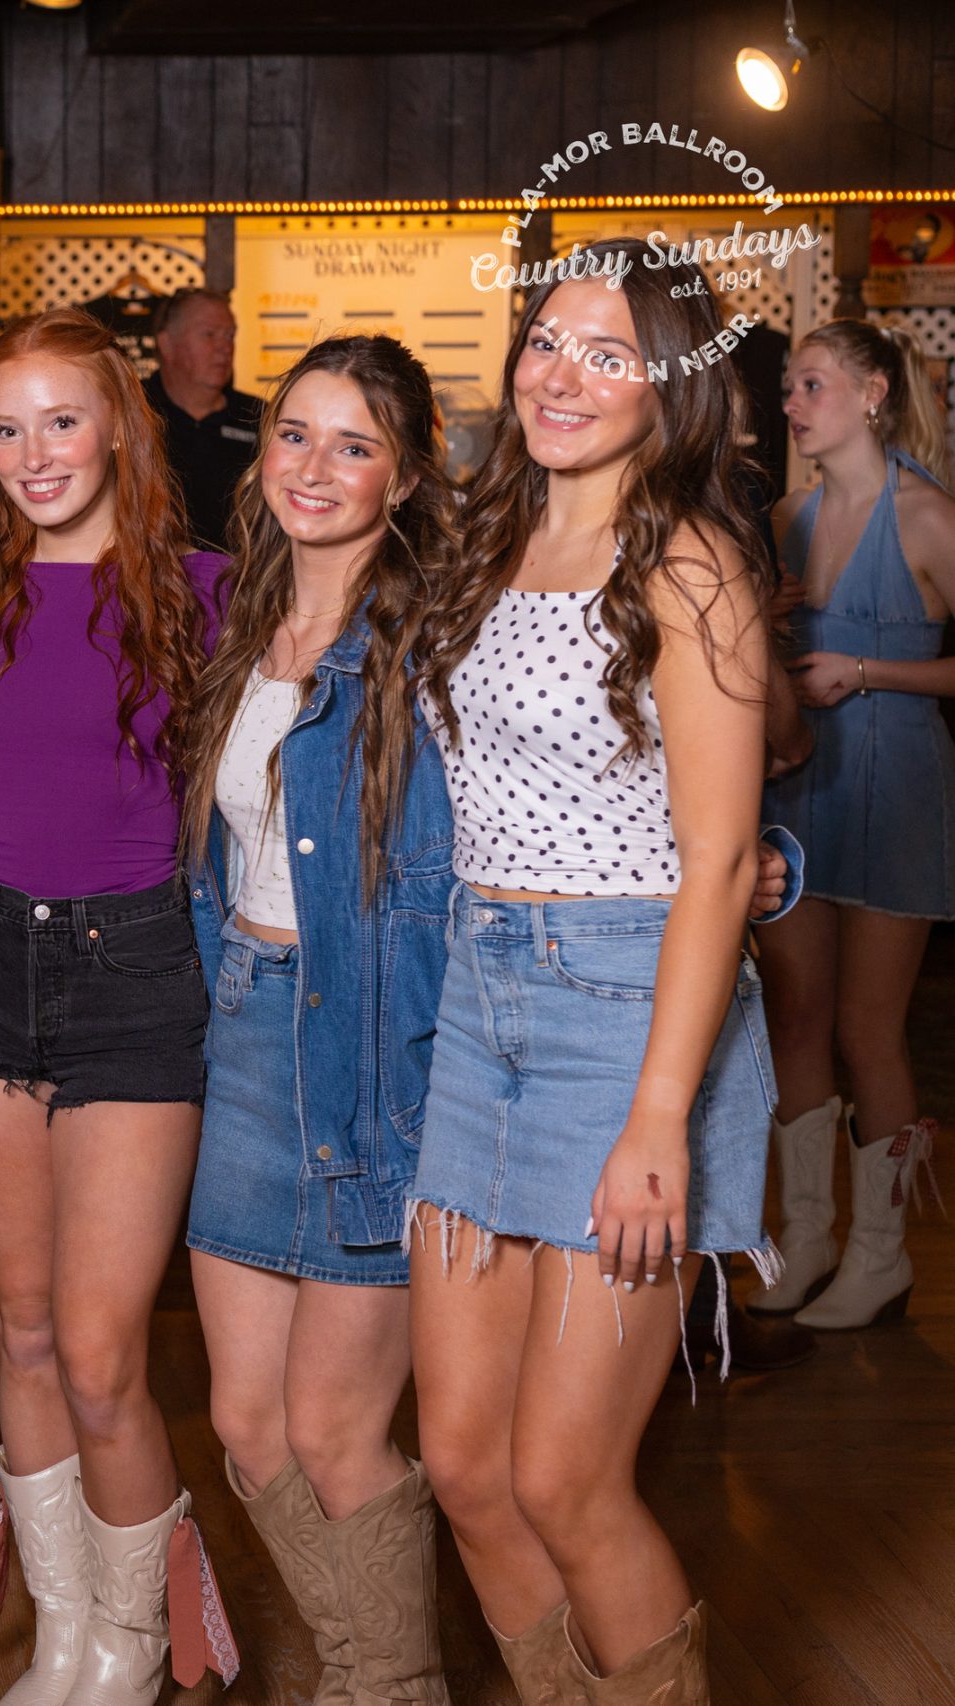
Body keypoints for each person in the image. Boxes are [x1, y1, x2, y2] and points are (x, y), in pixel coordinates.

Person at [409, 240, 778, 1701]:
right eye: (548, 341)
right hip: (478, 1000)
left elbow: (722, 859)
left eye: (611, 354)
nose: (562, 376)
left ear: (669, 386)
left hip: (627, 1013)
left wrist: (658, 1117)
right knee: (463, 1464)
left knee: (565, 1477)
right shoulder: (486, 537)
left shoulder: (688, 564)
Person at [0, 307, 233, 1706]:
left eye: (61, 418)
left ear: (117, 426)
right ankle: (62, 1633)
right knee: (26, 1326)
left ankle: (133, 1641)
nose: (35, 451)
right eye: (5, 427)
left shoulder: (207, 590)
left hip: (134, 971)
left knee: (104, 1351)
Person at [179, 335, 458, 1704]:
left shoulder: (435, 642)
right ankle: (369, 1670)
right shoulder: (240, 621)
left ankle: (386, 1686)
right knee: (246, 1421)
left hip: (370, 1051)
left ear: (401, 478)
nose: (314, 466)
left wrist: (751, 864)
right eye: (295, 433)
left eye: (354, 445)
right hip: (242, 1027)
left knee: (339, 1432)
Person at [753, 317, 955, 1331]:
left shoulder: (928, 517)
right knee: (793, 1016)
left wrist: (867, 670)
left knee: (867, 1028)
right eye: (789, 387)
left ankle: (881, 1257)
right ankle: (807, 1241)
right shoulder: (783, 516)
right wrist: (763, 624)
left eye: (812, 385)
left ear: (873, 393)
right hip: (795, 786)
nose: (792, 404)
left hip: (900, 788)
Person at [142, 287, 263, 551]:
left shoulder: (257, 416)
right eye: (209, 334)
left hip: (240, 571)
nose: (224, 347)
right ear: (167, 344)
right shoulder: (131, 410)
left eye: (230, 335)